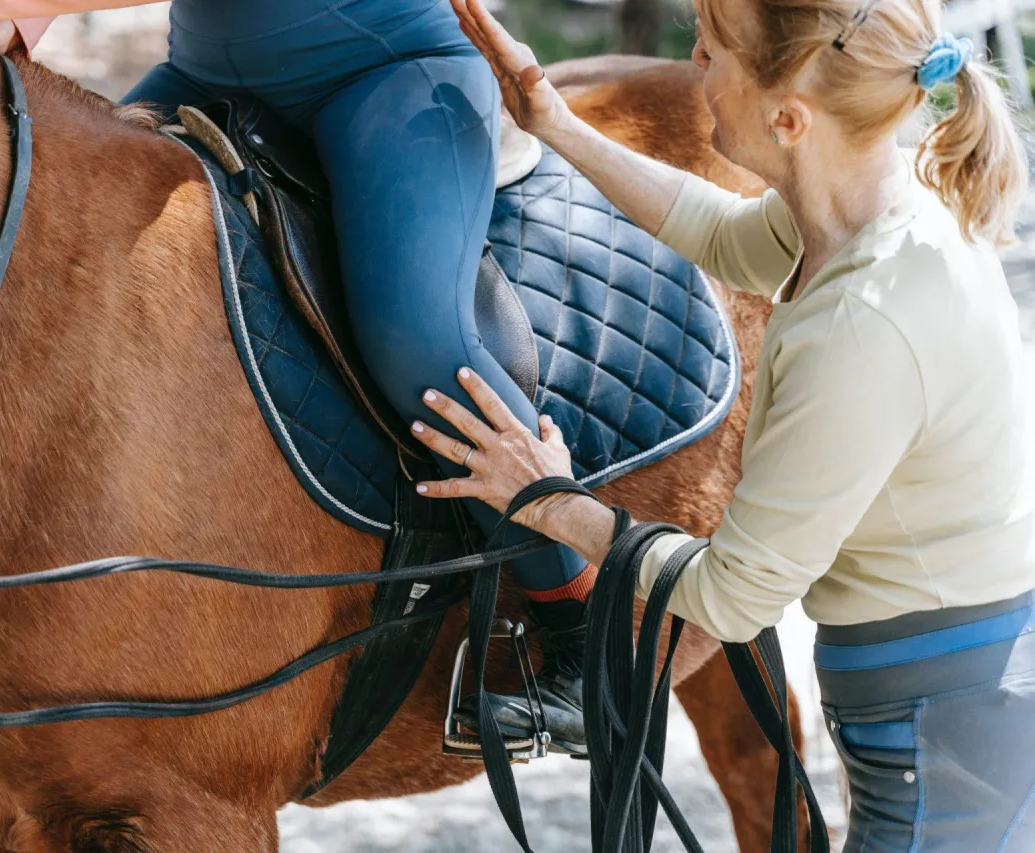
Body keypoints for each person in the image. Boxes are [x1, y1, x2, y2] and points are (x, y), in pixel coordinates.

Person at [409, 0, 1035, 848]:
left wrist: (548, 499)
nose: (694, 60)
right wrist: (555, 124)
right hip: (936, 709)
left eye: (714, 51)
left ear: (787, 118)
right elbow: (719, 229)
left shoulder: (862, 322)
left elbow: (732, 597)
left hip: (940, 733)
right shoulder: (869, 206)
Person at [0, 0, 601, 754]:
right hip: (208, 76)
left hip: (389, 75)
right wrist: (16, 28)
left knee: (419, 341)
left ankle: (584, 641)